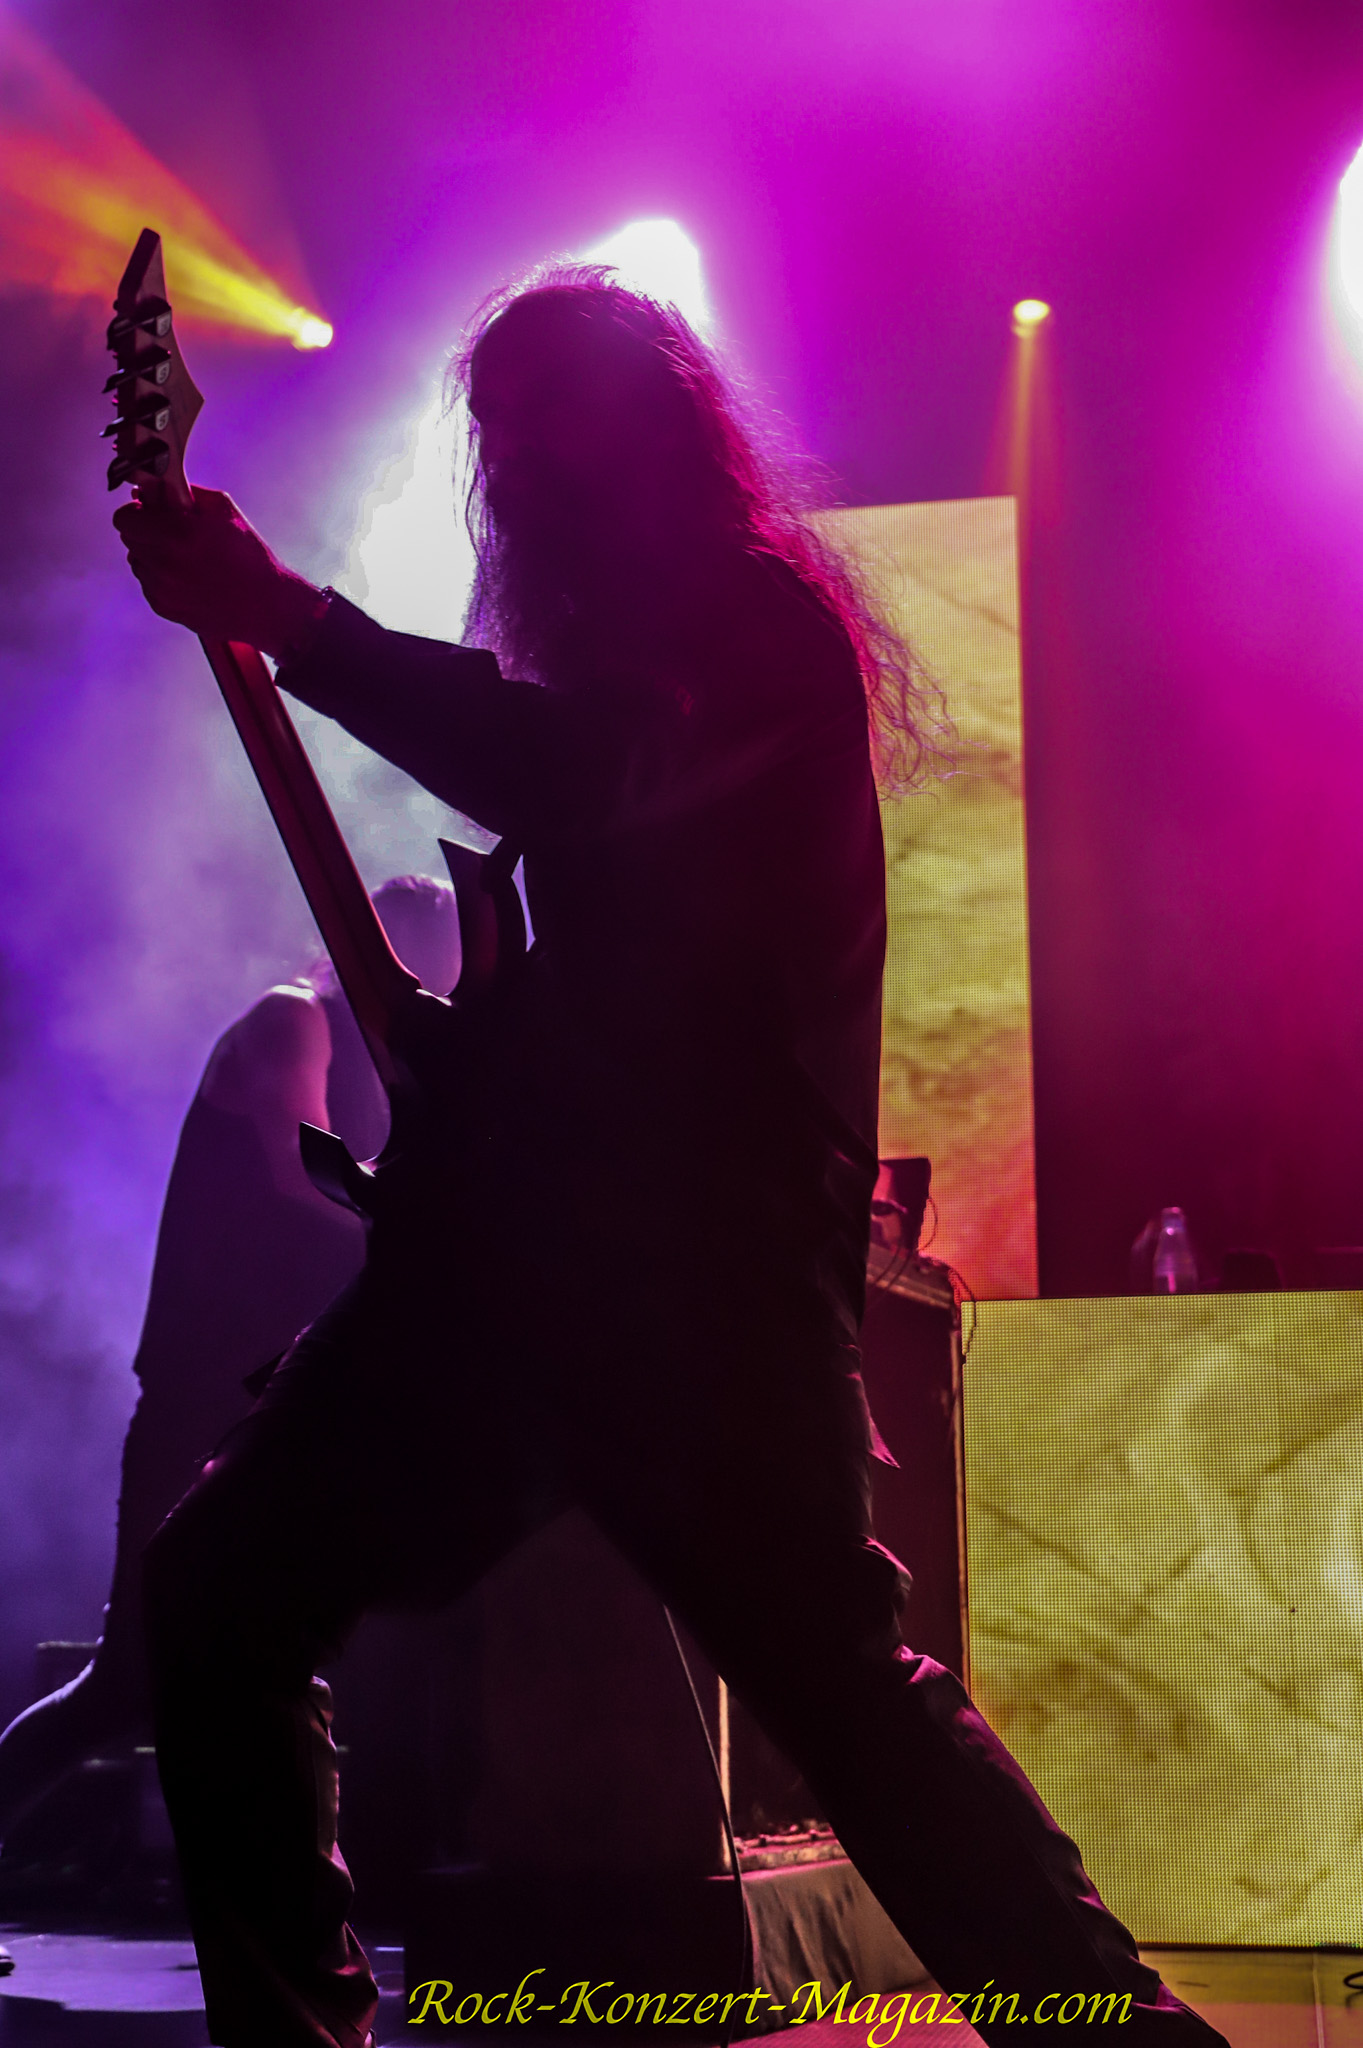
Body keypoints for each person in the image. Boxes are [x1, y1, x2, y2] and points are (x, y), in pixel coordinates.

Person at [114, 268, 1228, 2048]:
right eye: (494, 432)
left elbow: (582, 773)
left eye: (552, 418)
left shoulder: (756, 628)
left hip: (697, 1296)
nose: (516, 464)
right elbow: (596, 937)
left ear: (653, 429)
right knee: (220, 1598)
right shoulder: (630, 653)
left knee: (843, 1700)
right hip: (522, 1285)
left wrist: (292, 620)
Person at [0, 877, 460, 1858]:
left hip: (273, 1398)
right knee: (128, 1681)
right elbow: (300, 1171)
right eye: (436, 974)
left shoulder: (376, 1064)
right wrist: (425, 1236)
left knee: (277, 1647)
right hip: (199, 1397)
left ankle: (300, 1899)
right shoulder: (292, 1019)